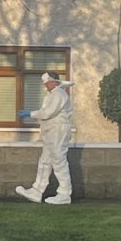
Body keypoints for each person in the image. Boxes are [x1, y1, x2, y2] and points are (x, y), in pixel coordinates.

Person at [13, 69, 74, 205]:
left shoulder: (59, 94)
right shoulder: (53, 94)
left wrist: (30, 114)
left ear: (53, 81)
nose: (45, 85)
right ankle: (37, 191)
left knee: (59, 160)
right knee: (45, 161)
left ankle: (64, 193)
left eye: (46, 82)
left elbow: (48, 113)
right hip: (51, 131)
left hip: (58, 131)